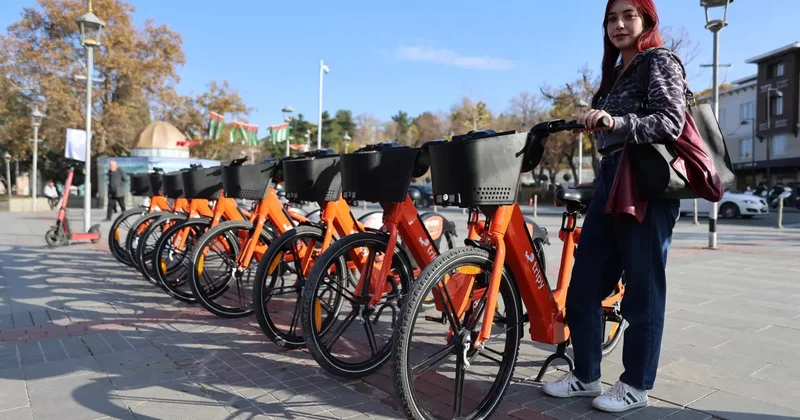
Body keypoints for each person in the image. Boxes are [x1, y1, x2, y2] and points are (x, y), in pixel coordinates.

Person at [542, 0, 686, 413]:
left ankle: (636, 385)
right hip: (612, 179)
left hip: (646, 184)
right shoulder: (615, 73)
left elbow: (671, 121)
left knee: (643, 289)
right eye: (611, 18)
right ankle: (586, 375)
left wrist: (616, 122)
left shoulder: (659, 60)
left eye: (628, 15)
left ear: (647, 19)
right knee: (584, 286)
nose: (619, 24)